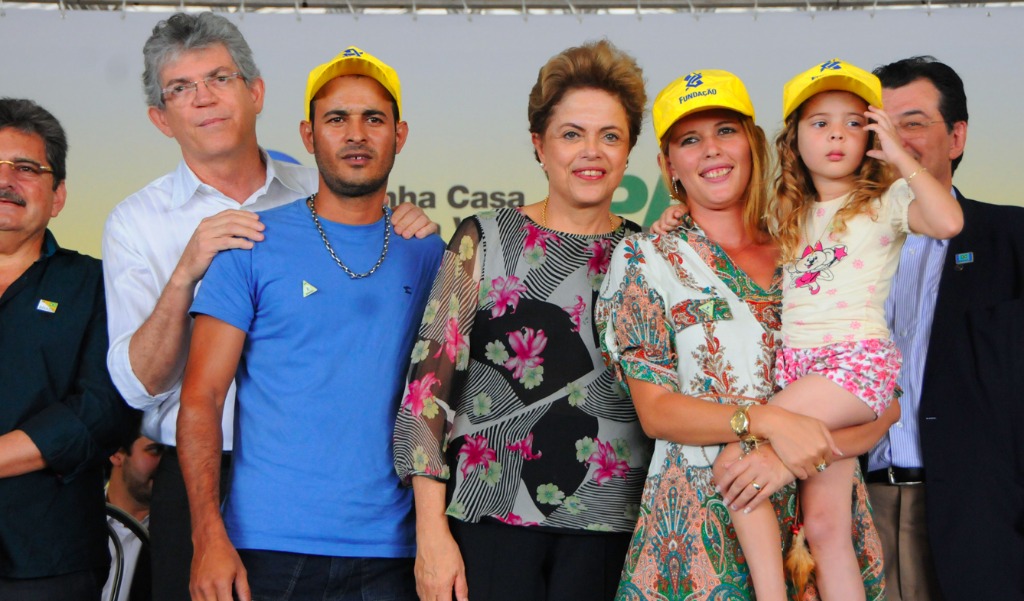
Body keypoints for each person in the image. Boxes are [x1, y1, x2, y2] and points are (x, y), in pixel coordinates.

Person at [101, 13, 435, 601]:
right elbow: (148, 387)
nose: (204, 98)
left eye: (219, 78)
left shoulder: (334, 194)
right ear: (160, 117)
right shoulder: (140, 222)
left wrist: (411, 228)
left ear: (255, 93)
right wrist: (185, 273)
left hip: (374, 516)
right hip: (211, 482)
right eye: (181, 88)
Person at [600, 70, 893, 600]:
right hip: (696, 537)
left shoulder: (809, 248)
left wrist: (782, 459)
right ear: (669, 167)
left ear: (755, 145)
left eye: (726, 131)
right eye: (690, 140)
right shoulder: (648, 257)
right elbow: (656, 412)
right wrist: (769, 421)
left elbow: (882, 405)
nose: (711, 149)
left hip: (816, 530)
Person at [393, 40, 650, 601]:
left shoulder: (650, 255)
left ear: (629, 151)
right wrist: (430, 534)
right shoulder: (483, 239)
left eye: (610, 136)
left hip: (614, 531)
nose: (591, 152)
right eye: (571, 134)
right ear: (539, 144)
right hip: (487, 525)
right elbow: (426, 397)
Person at [712, 59, 962, 601]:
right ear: (794, 139)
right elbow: (724, 235)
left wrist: (900, 156)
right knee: (825, 528)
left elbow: (948, 222)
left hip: (853, 364)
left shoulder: (886, 202)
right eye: (820, 123)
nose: (836, 135)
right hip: (801, 368)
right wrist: (671, 217)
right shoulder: (787, 213)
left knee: (735, 460)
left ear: (872, 135)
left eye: (854, 123)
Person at [865, 56, 1024, 601]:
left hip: (982, 518)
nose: (890, 140)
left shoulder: (1012, 238)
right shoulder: (828, 248)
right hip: (855, 511)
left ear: (956, 137)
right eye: (877, 126)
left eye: (910, 123)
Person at [0, 97, 128, 600]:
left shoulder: (97, 284)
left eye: (26, 168)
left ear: (58, 196)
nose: (6, 180)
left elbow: (103, 408)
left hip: (47, 559)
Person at [103, 417, 164, 601]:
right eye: (155, 450)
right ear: (116, 454)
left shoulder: (181, 534)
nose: (166, 465)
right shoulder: (73, 519)